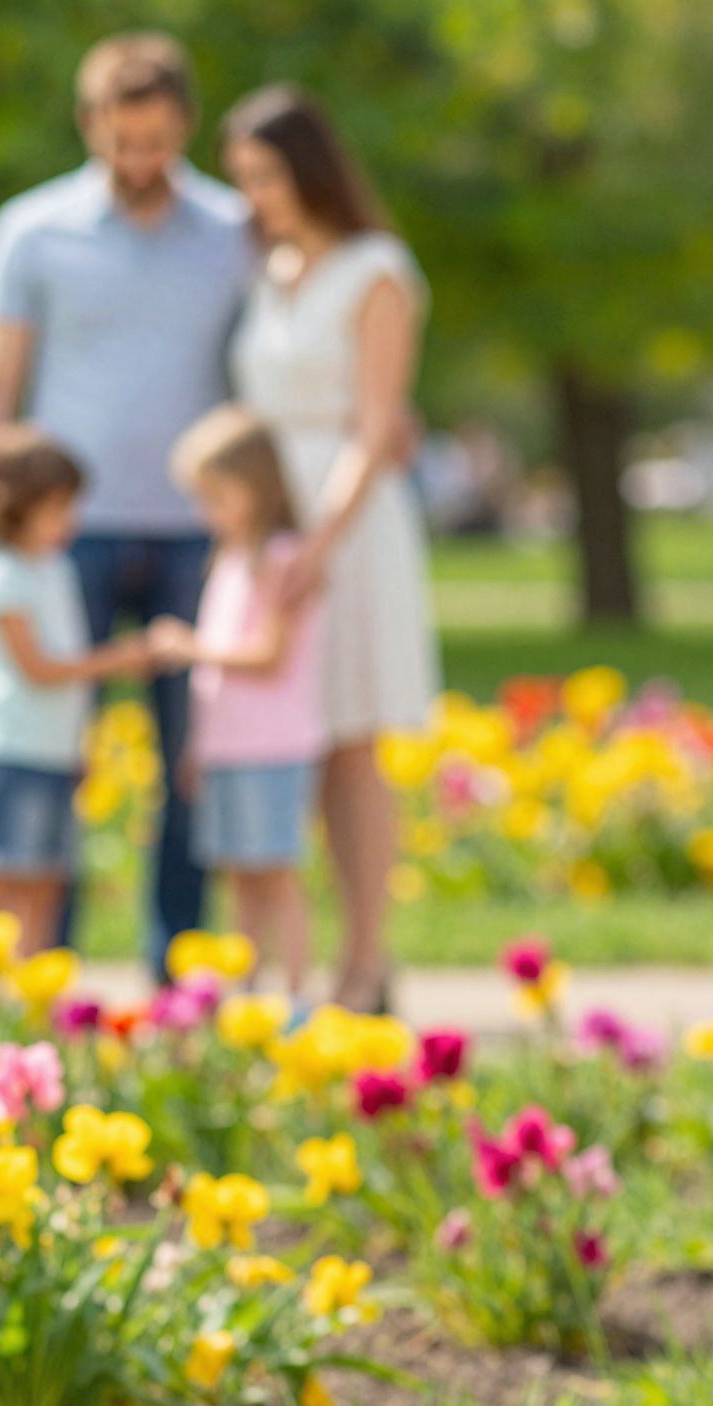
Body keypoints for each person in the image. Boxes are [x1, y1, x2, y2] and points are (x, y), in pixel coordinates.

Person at [0, 30, 255, 984]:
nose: (141, 161)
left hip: (196, 536)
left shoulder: (236, 231)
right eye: (124, 141)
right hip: (59, 536)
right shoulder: (30, 231)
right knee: (53, 753)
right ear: (90, 125)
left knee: (190, 764)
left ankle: (178, 968)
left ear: (186, 128)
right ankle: (55, 970)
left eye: (158, 140)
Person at [223, 84, 438, 1014]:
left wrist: (320, 539)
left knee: (351, 741)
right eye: (243, 180)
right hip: (270, 524)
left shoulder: (377, 270)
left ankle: (367, 956)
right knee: (280, 744)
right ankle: (284, 961)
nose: (255, 196)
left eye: (266, 175)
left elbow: (376, 422)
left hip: (348, 528)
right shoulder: (269, 272)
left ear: (307, 168)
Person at [0, 423, 191, 957]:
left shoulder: (53, 569)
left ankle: (30, 988)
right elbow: (39, 669)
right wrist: (120, 660)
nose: (72, 521)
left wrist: (78, 742)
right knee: (1, 876)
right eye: (59, 508)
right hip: (9, 749)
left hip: (51, 751)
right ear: (18, 506)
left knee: (45, 881)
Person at [168, 406, 325, 997]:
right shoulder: (230, 560)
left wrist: (192, 648)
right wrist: (197, 748)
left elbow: (269, 655)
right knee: (239, 876)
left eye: (216, 496)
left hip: (274, 744)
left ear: (255, 487)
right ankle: (248, 987)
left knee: (276, 873)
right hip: (228, 746)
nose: (207, 512)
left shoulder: (282, 559)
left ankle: (296, 991)